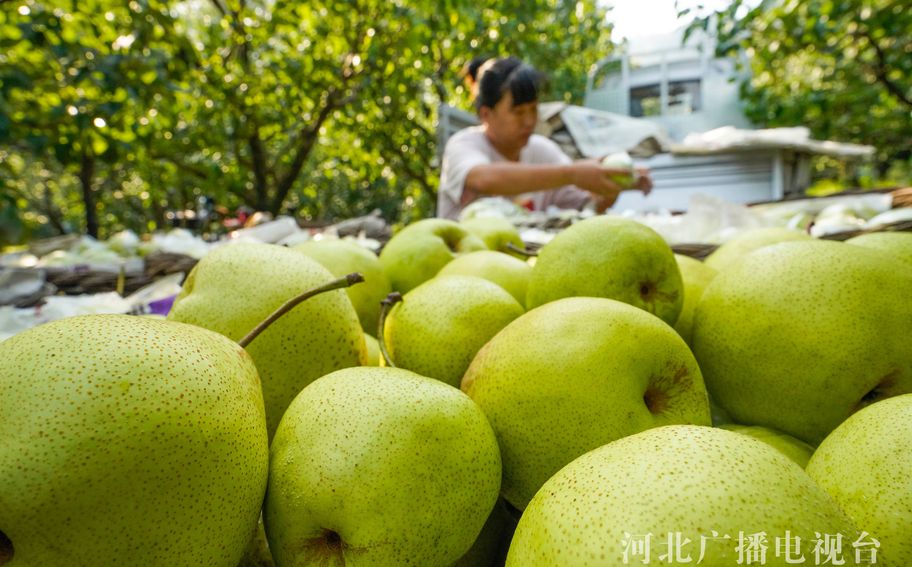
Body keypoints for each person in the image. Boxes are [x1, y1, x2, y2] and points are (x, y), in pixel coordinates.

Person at [437, 57, 652, 220]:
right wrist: (574, 173)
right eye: (518, 112)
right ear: (486, 114)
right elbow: (483, 179)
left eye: (533, 110)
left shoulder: (542, 150)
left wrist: (612, 182)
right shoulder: (463, 145)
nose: (529, 121)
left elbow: (589, 206)